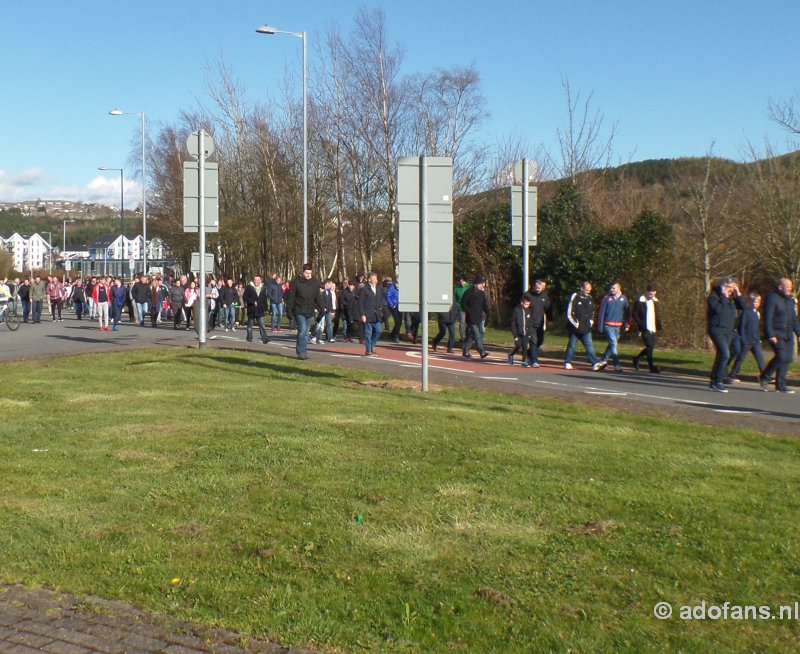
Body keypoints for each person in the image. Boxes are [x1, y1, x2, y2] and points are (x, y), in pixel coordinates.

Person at [759, 278, 800, 393]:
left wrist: (798, 333)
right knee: (781, 356)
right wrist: (770, 334)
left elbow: (793, 319)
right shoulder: (772, 298)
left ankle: (780, 384)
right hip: (777, 333)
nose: (791, 289)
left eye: (791, 287)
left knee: (788, 358)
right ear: (780, 287)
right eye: (788, 287)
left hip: (787, 334)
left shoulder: (789, 300)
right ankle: (764, 377)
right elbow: (768, 317)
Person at [707, 276, 745, 392]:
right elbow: (717, 310)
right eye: (730, 287)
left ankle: (713, 380)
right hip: (717, 329)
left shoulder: (732, 298)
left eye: (733, 288)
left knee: (720, 355)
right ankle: (719, 381)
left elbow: (743, 307)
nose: (731, 290)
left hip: (728, 330)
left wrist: (738, 295)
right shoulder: (714, 296)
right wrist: (723, 297)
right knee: (724, 354)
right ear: (724, 286)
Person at [286, 263, 324, 360]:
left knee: (306, 332)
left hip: (309, 310)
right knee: (302, 330)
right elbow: (291, 297)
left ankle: (303, 350)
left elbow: (318, 297)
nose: (308, 275)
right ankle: (301, 352)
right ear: (303, 272)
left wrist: (321, 309)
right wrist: (289, 310)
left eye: (310, 273)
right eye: (306, 273)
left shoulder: (314, 282)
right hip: (299, 310)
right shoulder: (296, 282)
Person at [564, 281, 604, 371]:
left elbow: (592, 312)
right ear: (581, 288)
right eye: (586, 290)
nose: (588, 291)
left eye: (589, 290)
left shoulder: (590, 298)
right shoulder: (575, 296)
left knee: (589, 345)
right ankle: (567, 362)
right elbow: (569, 312)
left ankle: (595, 363)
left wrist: (591, 321)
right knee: (571, 345)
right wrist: (575, 323)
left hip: (586, 327)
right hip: (575, 328)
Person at [727, 293, 765, 382]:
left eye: (758, 302)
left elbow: (755, 328)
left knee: (760, 358)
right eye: (754, 302)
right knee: (741, 358)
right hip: (747, 340)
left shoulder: (757, 314)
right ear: (750, 302)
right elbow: (742, 326)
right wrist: (743, 339)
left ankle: (764, 375)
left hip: (755, 340)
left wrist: (758, 338)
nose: (756, 304)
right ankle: (732, 373)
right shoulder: (746, 312)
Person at [597, 282, 631, 371]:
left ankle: (603, 360)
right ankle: (616, 365)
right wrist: (600, 326)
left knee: (611, 345)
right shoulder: (606, 298)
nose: (611, 290)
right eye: (611, 288)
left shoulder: (624, 299)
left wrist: (627, 324)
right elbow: (601, 312)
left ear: (619, 289)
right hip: (608, 325)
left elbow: (627, 312)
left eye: (613, 288)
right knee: (613, 343)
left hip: (618, 326)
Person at [632, 285, 662, 373]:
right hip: (645, 327)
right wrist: (640, 324)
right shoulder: (640, 301)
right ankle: (651, 367)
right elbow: (635, 314)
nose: (651, 296)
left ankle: (637, 358)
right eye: (649, 294)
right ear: (646, 292)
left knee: (651, 347)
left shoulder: (655, 302)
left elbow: (656, 315)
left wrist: (659, 325)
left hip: (652, 327)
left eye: (653, 294)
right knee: (650, 346)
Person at [461, 275, 489, 359]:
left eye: (482, 284)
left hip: (479, 317)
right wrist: (469, 312)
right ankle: (482, 352)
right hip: (471, 319)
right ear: (475, 284)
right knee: (477, 334)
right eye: (480, 284)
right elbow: (463, 303)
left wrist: (489, 314)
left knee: (471, 336)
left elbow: (484, 305)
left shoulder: (481, 294)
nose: (482, 285)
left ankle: (465, 351)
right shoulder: (469, 293)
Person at [358, 271, 385, 357]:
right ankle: (368, 350)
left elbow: (381, 298)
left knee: (378, 331)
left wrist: (381, 308)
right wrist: (362, 314)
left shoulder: (379, 287)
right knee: (368, 333)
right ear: (369, 279)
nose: (376, 280)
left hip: (376, 314)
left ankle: (372, 345)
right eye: (374, 278)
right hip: (367, 314)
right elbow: (360, 303)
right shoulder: (364, 289)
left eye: (376, 278)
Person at [509, 294, 537, 367]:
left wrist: (529, 331)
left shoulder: (529, 311)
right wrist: (514, 334)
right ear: (522, 303)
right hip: (518, 332)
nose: (527, 305)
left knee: (525, 346)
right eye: (526, 304)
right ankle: (511, 354)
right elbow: (513, 322)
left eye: (528, 304)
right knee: (518, 345)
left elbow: (530, 322)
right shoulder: (516, 310)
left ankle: (524, 361)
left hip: (526, 333)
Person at [527, 278, 552, 353]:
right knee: (533, 341)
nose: (539, 290)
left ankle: (529, 353)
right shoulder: (527, 295)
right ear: (533, 287)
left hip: (540, 323)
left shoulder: (544, 296)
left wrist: (550, 320)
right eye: (537, 288)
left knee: (540, 341)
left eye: (540, 288)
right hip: (530, 323)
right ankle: (534, 360)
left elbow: (548, 309)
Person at [243, 275, 270, 344]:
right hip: (251, 309)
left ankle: (264, 338)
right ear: (253, 280)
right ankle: (249, 337)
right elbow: (245, 297)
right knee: (250, 325)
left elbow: (264, 299)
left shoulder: (263, 288)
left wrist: (266, 308)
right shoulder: (249, 287)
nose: (256, 281)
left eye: (258, 280)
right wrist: (252, 301)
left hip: (260, 309)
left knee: (262, 324)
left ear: (260, 281)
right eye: (255, 280)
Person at [454, 274, 470, 342]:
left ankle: (469, 336)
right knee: (462, 322)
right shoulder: (456, 288)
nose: (461, 282)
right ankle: (463, 337)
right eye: (460, 281)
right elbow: (454, 298)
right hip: (460, 307)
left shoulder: (469, 287)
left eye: (462, 281)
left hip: (468, 307)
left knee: (469, 322)